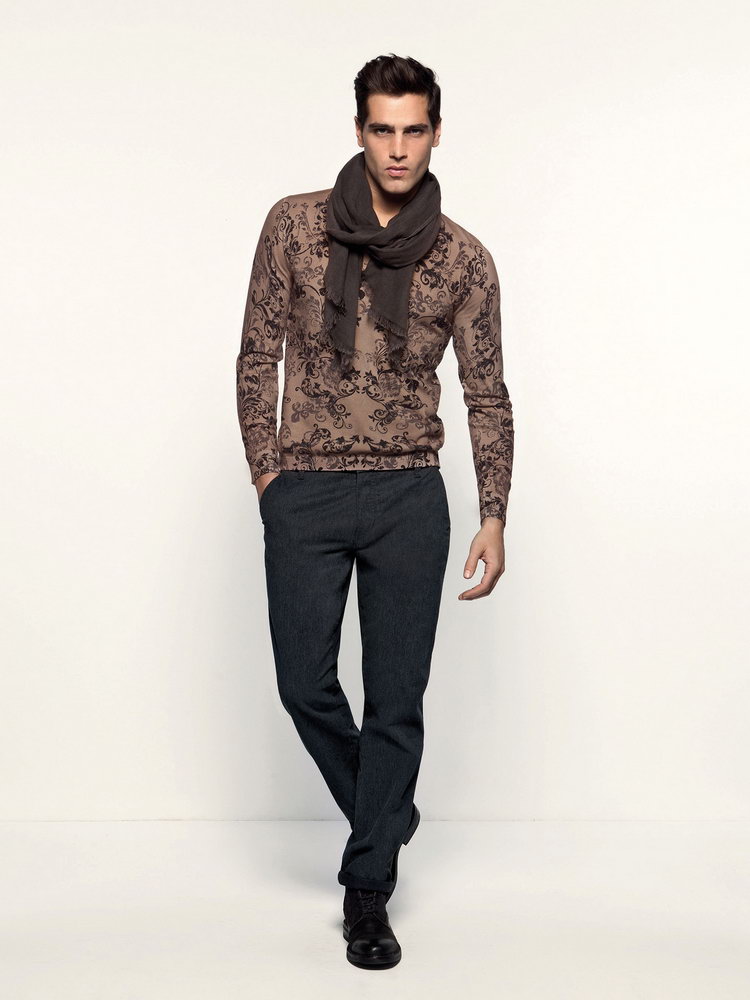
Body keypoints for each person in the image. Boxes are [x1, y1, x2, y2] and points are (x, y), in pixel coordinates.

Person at [235, 53, 514, 970]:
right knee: (303, 682)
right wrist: (269, 476)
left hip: (408, 496)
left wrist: (494, 512)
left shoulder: (464, 257)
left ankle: (367, 891)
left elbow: (486, 393)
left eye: (414, 130)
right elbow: (256, 355)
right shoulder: (293, 225)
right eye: (382, 129)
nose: (398, 149)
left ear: (436, 133)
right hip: (306, 490)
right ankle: (386, 811)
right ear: (359, 130)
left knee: (397, 699)